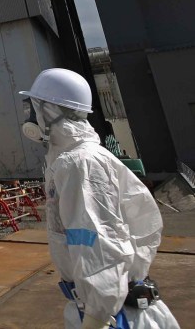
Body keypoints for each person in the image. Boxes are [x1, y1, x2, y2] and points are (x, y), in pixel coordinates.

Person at [19, 68, 178, 329]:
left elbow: (101, 245)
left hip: (114, 316)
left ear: (50, 111)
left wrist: (97, 318)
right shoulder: (71, 161)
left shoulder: (80, 164)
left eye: (32, 107)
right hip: (99, 308)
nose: (29, 115)